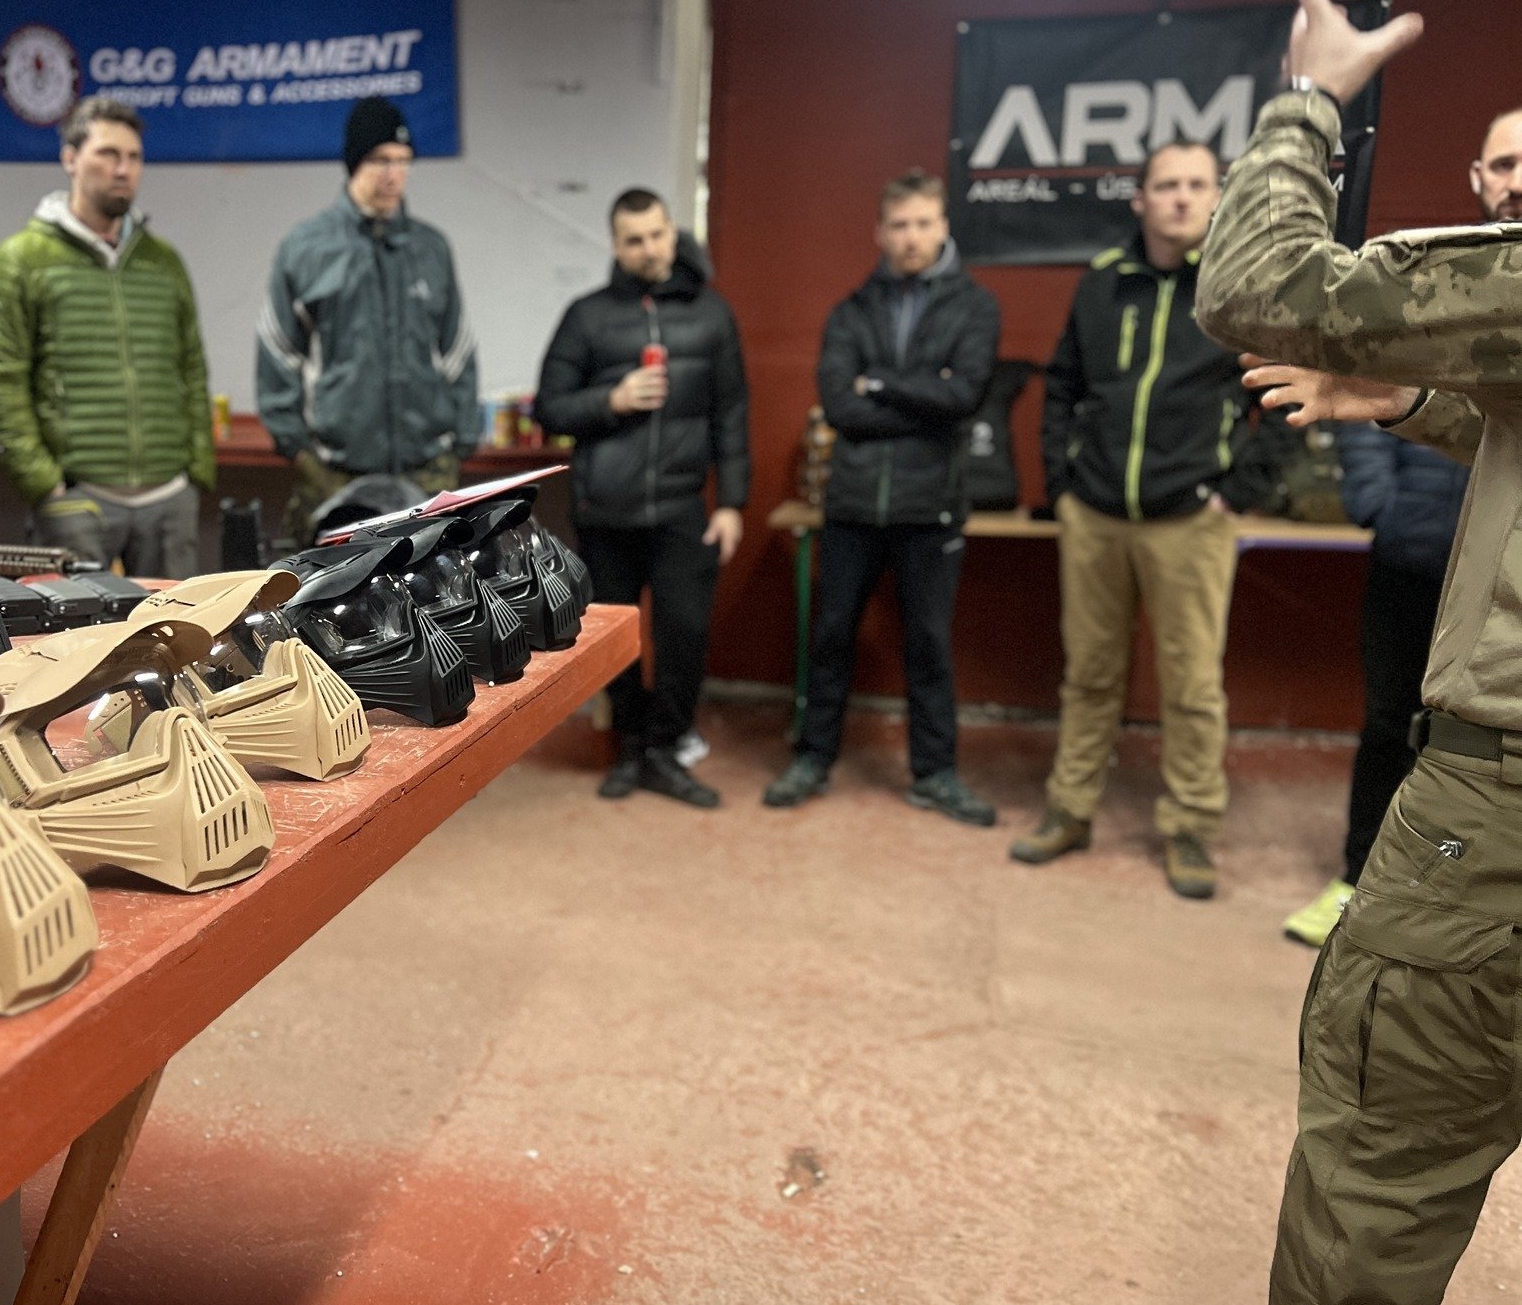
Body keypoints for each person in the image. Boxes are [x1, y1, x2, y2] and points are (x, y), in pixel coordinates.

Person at [1192, 0, 1522, 1305]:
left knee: (1377, 1194)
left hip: (1495, 833)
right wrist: (1409, 402)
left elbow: (1257, 286)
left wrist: (1310, 98)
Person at [1276, 106, 1517, 945]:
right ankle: (1357, 883)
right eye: (1504, 163)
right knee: (1390, 727)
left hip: (1504, 608)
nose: (1517, 180)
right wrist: (1388, 497)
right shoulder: (1438, 295)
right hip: (1416, 559)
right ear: (1478, 177)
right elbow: (1373, 396)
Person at [1007, 140, 1264, 898]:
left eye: (1196, 185)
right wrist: (1063, 487)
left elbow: (1281, 395)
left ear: (1217, 198)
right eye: (1166, 185)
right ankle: (1070, 808)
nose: (1181, 198)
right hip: (1096, 516)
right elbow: (1062, 385)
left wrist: (1237, 489)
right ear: (1139, 199)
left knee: (1190, 684)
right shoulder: (1101, 283)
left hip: (1191, 520)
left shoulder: (1237, 287)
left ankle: (1189, 827)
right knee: (1087, 674)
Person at [763, 170, 999, 825]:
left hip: (932, 508)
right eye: (899, 225)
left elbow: (966, 397)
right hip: (854, 506)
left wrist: (881, 386)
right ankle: (814, 759)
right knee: (831, 636)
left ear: (943, 227)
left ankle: (936, 774)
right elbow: (839, 405)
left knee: (928, 643)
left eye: (924, 223)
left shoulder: (974, 307)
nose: (912, 236)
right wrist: (920, 391)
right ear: (880, 232)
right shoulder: (851, 309)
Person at [535, 188, 749, 807]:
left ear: (672, 233)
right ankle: (630, 748)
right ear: (615, 245)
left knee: (684, 634)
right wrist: (612, 399)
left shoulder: (711, 316)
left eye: (657, 235)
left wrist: (732, 501)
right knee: (614, 639)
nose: (648, 249)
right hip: (606, 511)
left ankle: (667, 749)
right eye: (634, 239)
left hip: (684, 508)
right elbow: (549, 408)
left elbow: (732, 412)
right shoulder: (588, 317)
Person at [0, 96, 214, 578]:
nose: (123, 169)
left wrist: (195, 470)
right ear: (70, 158)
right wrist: (44, 484)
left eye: (134, 157)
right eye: (108, 154)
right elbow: (0, 376)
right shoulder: (24, 257)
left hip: (170, 496)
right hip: (77, 500)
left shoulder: (162, 261)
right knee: (80, 646)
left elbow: (191, 364)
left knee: (180, 642)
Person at [256, 96, 478, 541]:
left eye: (402, 160)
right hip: (335, 473)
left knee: (432, 599)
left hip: (428, 470)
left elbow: (458, 350)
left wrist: (462, 442)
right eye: (380, 160)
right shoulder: (306, 248)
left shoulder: (431, 248)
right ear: (354, 163)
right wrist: (300, 453)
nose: (393, 174)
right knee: (331, 600)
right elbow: (278, 354)